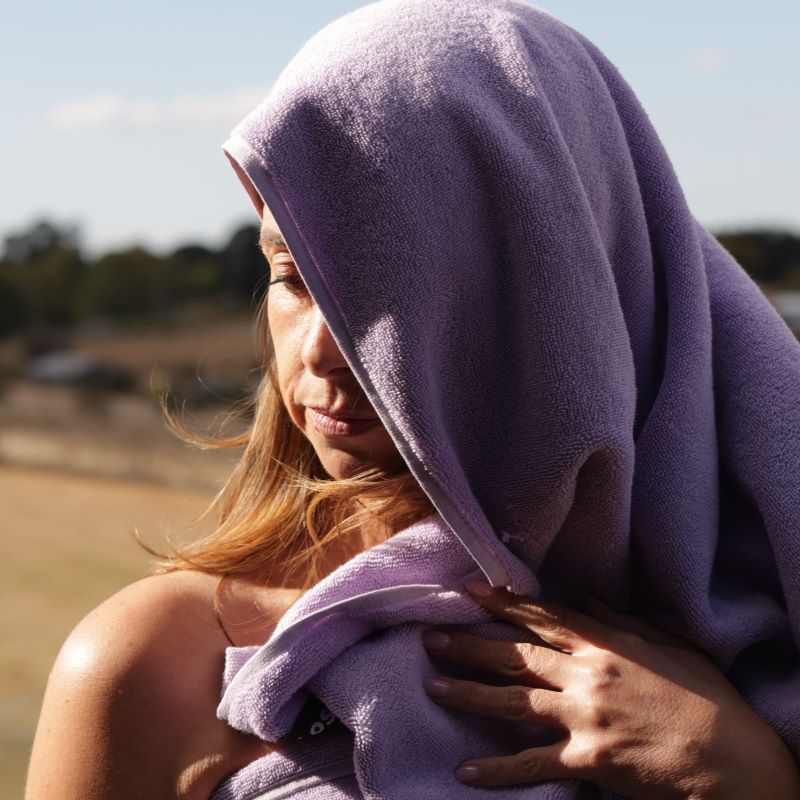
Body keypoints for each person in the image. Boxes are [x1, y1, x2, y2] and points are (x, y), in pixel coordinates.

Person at [26, 1, 800, 798]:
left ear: (555, 304)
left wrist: (743, 774)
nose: (320, 350)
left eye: (388, 294)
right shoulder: (159, 662)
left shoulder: (756, 639)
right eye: (293, 277)